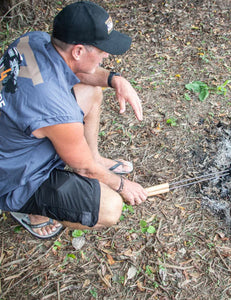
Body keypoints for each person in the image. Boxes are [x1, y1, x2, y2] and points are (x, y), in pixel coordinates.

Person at [0, 1, 148, 239]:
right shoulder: (56, 110)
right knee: (111, 207)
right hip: (13, 176)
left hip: (14, 137)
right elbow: (83, 167)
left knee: (91, 92)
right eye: (101, 50)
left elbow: (78, 72)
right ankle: (29, 210)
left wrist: (114, 79)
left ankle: (97, 156)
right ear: (78, 51)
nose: (106, 55)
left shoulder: (34, 40)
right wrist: (122, 186)